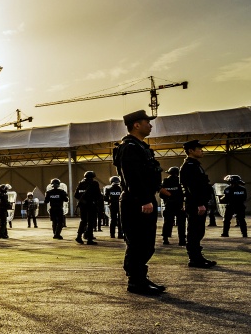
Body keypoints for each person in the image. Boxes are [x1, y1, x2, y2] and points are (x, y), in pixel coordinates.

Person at [113, 110, 166, 295]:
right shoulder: (129, 147)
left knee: (146, 243)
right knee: (138, 243)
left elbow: (148, 173)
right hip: (135, 201)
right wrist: (144, 199)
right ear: (136, 125)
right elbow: (132, 177)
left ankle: (140, 278)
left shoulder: (140, 146)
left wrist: (157, 190)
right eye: (147, 122)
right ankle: (135, 282)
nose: (150, 126)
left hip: (144, 198)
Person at [179, 139, 216, 268]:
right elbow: (192, 187)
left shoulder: (195, 165)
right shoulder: (189, 166)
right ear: (191, 151)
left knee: (199, 231)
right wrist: (199, 203)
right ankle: (194, 259)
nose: (201, 151)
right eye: (199, 149)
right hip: (195, 203)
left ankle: (198, 257)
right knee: (194, 231)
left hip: (198, 202)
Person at [160, 166, 186, 246]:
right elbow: (184, 194)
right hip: (179, 205)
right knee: (181, 223)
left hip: (169, 204)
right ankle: (182, 240)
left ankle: (165, 239)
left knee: (167, 222)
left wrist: (168, 198)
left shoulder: (165, 181)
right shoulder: (181, 181)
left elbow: (161, 194)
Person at [74, 171, 101, 245]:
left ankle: (79, 236)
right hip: (91, 205)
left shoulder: (81, 183)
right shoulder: (94, 183)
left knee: (83, 221)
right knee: (90, 222)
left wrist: (83, 201)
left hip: (82, 205)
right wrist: (95, 201)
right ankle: (89, 239)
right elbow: (98, 195)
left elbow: (76, 195)